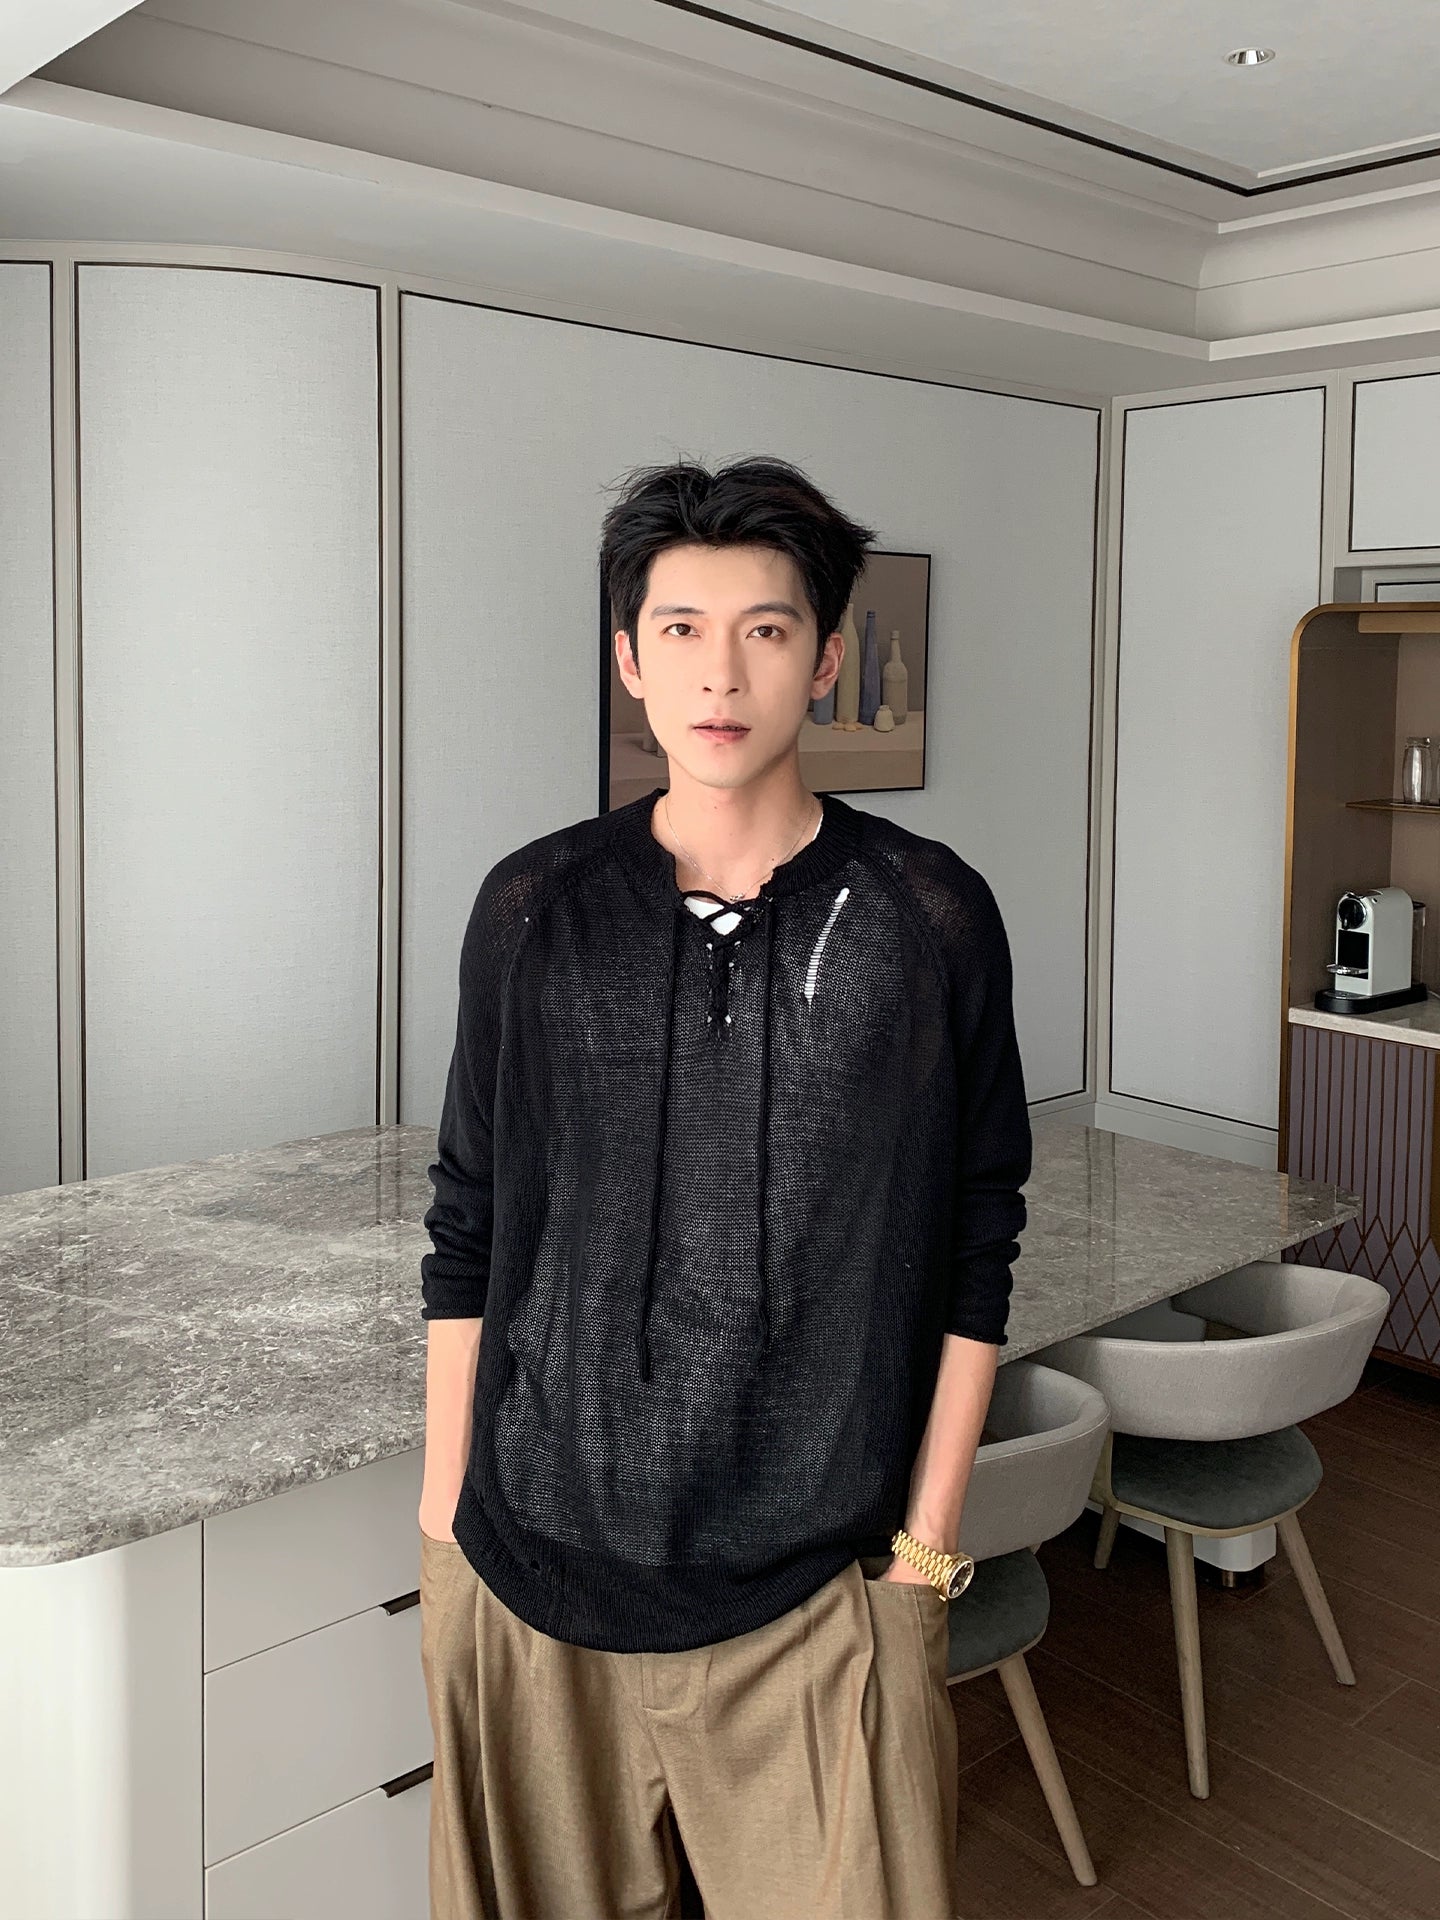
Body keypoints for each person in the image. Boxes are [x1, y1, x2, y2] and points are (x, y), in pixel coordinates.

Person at [416, 453, 1032, 1920]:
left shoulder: (926, 916)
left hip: (824, 1588)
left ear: (824, 660)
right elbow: (469, 1215)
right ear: (629, 660)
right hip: (530, 1571)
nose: (721, 672)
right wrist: (445, 1518)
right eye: (681, 629)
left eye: (765, 629)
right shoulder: (533, 907)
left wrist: (927, 1550)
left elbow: (978, 1232)